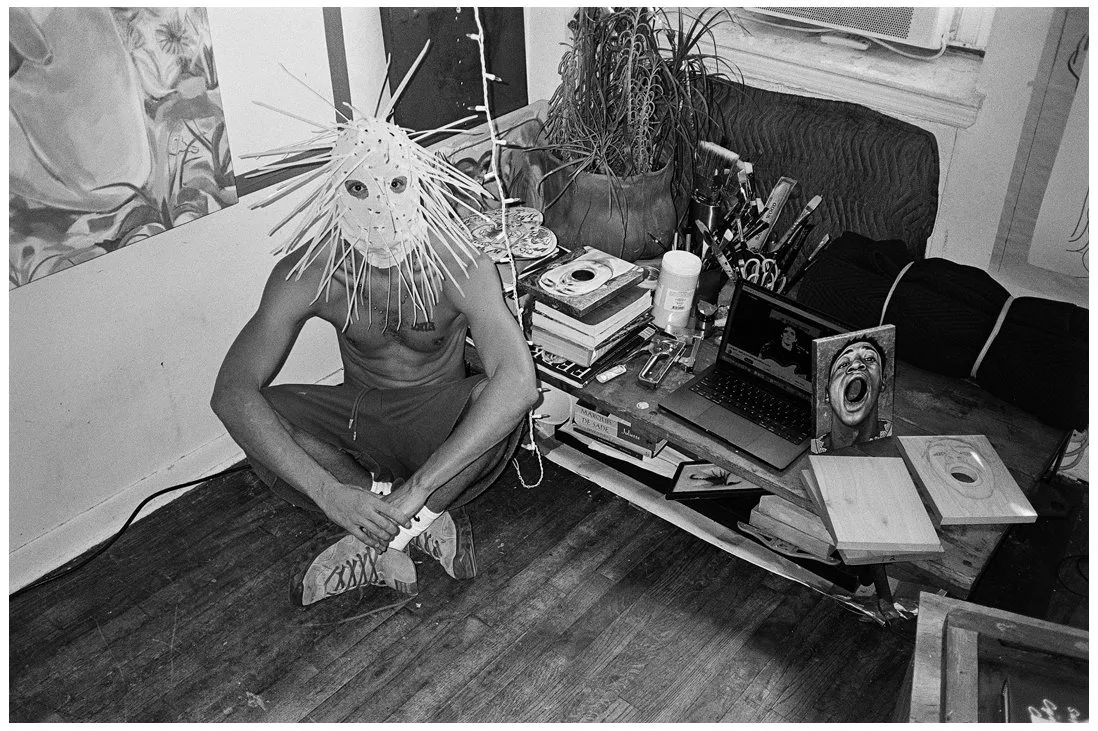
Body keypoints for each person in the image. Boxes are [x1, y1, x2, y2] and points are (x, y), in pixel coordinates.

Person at [211, 110, 538, 607]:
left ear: (419, 188)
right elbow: (231, 393)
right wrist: (327, 491)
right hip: (360, 416)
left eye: (397, 184)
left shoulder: (459, 264)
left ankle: (392, 527)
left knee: (502, 410)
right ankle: (395, 512)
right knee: (261, 416)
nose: (380, 206)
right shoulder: (310, 272)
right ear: (335, 194)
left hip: (437, 420)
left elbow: (520, 384)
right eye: (360, 190)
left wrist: (418, 489)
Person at [812, 336, 891, 452]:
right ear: (827, 393)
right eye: (843, 364)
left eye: (869, 358)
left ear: (882, 382)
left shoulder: (891, 444)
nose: (857, 364)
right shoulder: (814, 448)